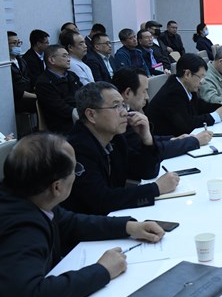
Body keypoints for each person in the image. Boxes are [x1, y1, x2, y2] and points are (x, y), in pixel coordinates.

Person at [0, 133, 165, 297]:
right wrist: (102, 270)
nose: (76, 175)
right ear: (57, 187)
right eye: (75, 169)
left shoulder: (29, 195)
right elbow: (29, 296)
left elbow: (70, 223)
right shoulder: (22, 228)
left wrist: (128, 227)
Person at [63, 82, 179, 215]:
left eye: (123, 105)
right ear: (91, 115)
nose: (124, 112)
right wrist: (155, 188)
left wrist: (146, 139)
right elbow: (101, 200)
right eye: (116, 106)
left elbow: (147, 172)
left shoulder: (116, 139)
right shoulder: (76, 149)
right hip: (88, 223)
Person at [112, 67, 212, 159]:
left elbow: (150, 140)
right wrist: (195, 141)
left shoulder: (128, 113)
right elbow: (156, 150)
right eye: (144, 91)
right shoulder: (120, 120)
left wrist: (173, 139)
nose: (147, 97)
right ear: (128, 92)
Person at [147, 53, 222, 136]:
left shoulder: (187, 85)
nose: (202, 81)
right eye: (201, 76)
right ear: (187, 74)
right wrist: (216, 116)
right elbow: (186, 124)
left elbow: (200, 106)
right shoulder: (172, 93)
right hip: (165, 143)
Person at [34, 45, 83, 134]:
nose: (69, 59)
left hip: (79, 116)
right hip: (62, 125)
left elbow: (84, 95)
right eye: (64, 56)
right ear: (52, 60)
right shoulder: (44, 83)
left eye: (68, 56)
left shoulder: (72, 76)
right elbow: (59, 108)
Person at [7, 31, 37, 113]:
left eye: (19, 42)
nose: (18, 45)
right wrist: (35, 95)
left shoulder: (21, 60)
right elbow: (15, 90)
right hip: (17, 99)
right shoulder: (5, 66)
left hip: (30, 92)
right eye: (14, 43)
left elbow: (30, 77)